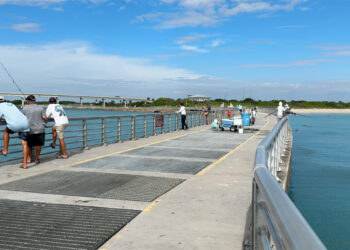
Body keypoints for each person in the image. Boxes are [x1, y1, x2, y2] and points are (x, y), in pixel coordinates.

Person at [0, 96, 31, 168]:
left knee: (6, 132)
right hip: (25, 123)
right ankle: (25, 163)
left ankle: (5, 150)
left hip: (14, 124)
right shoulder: (11, 104)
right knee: (24, 143)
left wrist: (3, 118)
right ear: (4, 100)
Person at [22, 95, 47, 165]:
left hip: (30, 129)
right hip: (40, 128)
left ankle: (29, 159)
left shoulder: (25, 108)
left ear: (28, 101)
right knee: (39, 144)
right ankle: (36, 159)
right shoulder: (40, 107)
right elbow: (44, 117)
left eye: (27, 100)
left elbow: (22, 117)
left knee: (29, 145)